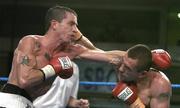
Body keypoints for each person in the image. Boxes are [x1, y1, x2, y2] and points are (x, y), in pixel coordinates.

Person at [0, 5, 91, 108]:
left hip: (29, 102)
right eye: (71, 25)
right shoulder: (37, 50)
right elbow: (24, 80)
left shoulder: (73, 69)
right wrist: (52, 68)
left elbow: (68, 98)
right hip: (17, 100)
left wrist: (75, 103)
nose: (73, 32)